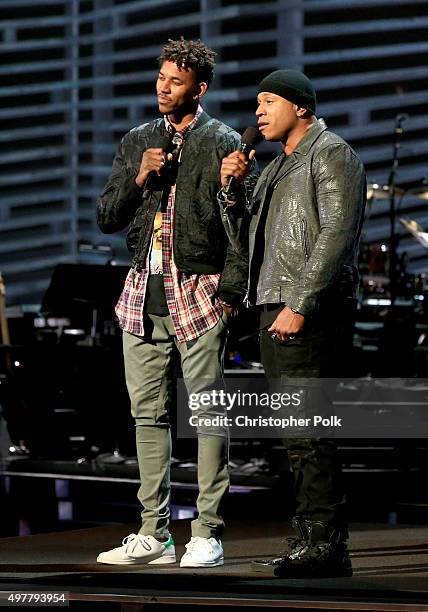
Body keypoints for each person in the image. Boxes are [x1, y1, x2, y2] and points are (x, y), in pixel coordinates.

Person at [96, 38, 258, 568]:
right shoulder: (138, 139)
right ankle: (154, 533)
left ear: (199, 89)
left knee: (207, 413)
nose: (163, 88)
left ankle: (207, 530)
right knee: (149, 414)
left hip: (199, 290)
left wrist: (230, 297)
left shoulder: (222, 141)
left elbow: (241, 228)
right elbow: (107, 217)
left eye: (176, 81)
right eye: (161, 77)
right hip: (144, 289)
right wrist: (141, 175)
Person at [220, 69, 366, 577]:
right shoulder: (277, 166)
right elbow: (246, 243)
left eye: (268, 101)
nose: (258, 112)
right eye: (257, 103)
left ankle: (325, 543)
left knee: (309, 430)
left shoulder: (330, 154)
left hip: (306, 307)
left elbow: (336, 235)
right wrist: (233, 191)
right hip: (274, 302)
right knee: (294, 432)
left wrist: (301, 303)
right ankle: (311, 538)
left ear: (301, 106)